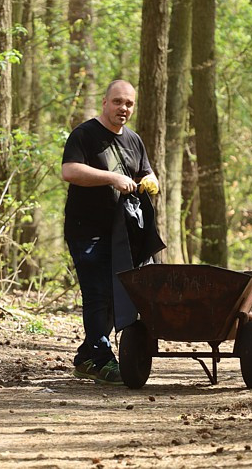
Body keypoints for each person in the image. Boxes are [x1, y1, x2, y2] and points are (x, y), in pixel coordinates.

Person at [61, 80, 161, 386]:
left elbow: (146, 171)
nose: (124, 108)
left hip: (122, 235)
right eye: (118, 102)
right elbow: (69, 171)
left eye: (129, 104)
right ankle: (102, 359)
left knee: (117, 296)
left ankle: (86, 357)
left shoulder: (134, 140)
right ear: (105, 102)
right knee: (97, 292)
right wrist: (112, 178)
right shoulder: (85, 134)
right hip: (86, 230)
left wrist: (151, 181)